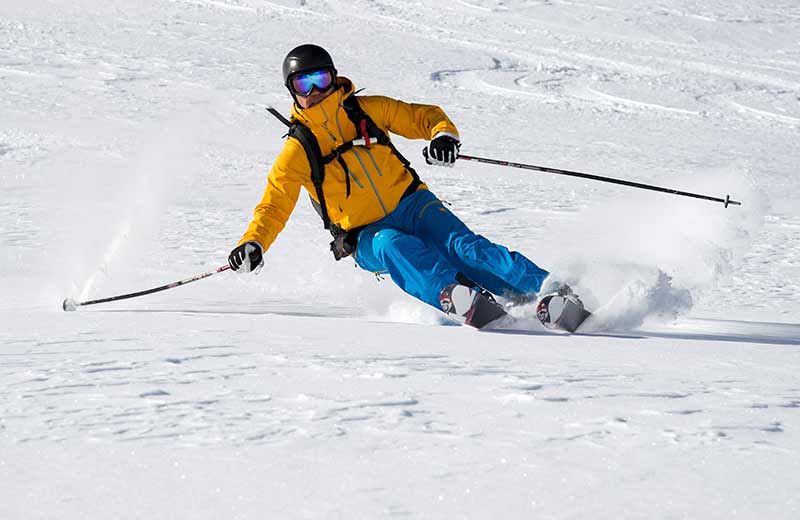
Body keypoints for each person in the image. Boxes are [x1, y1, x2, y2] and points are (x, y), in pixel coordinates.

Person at [228, 44, 561, 328]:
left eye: (321, 79)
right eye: (304, 83)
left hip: (413, 204)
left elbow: (422, 117)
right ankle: (457, 296)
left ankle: (547, 290)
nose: (315, 91)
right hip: (365, 235)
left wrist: (442, 135)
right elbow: (274, 204)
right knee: (394, 245)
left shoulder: (368, 111)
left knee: (465, 247)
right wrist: (254, 243)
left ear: (333, 77)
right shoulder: (298, 150)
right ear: (292, 91)